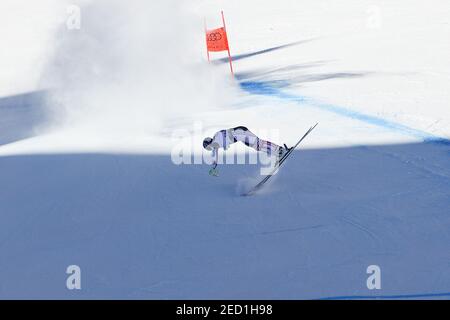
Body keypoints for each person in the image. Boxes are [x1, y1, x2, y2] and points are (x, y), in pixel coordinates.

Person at [203, 126, 290, 176]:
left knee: (258, 144)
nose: (210, 149)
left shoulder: (215, 141)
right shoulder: (216, 138)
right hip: (240, 134)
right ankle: (277, 152)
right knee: (257, 146)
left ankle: (279, 150)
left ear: (208, 143)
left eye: (208, 148)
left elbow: (215, 151)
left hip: (240, 133)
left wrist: (214, 167)